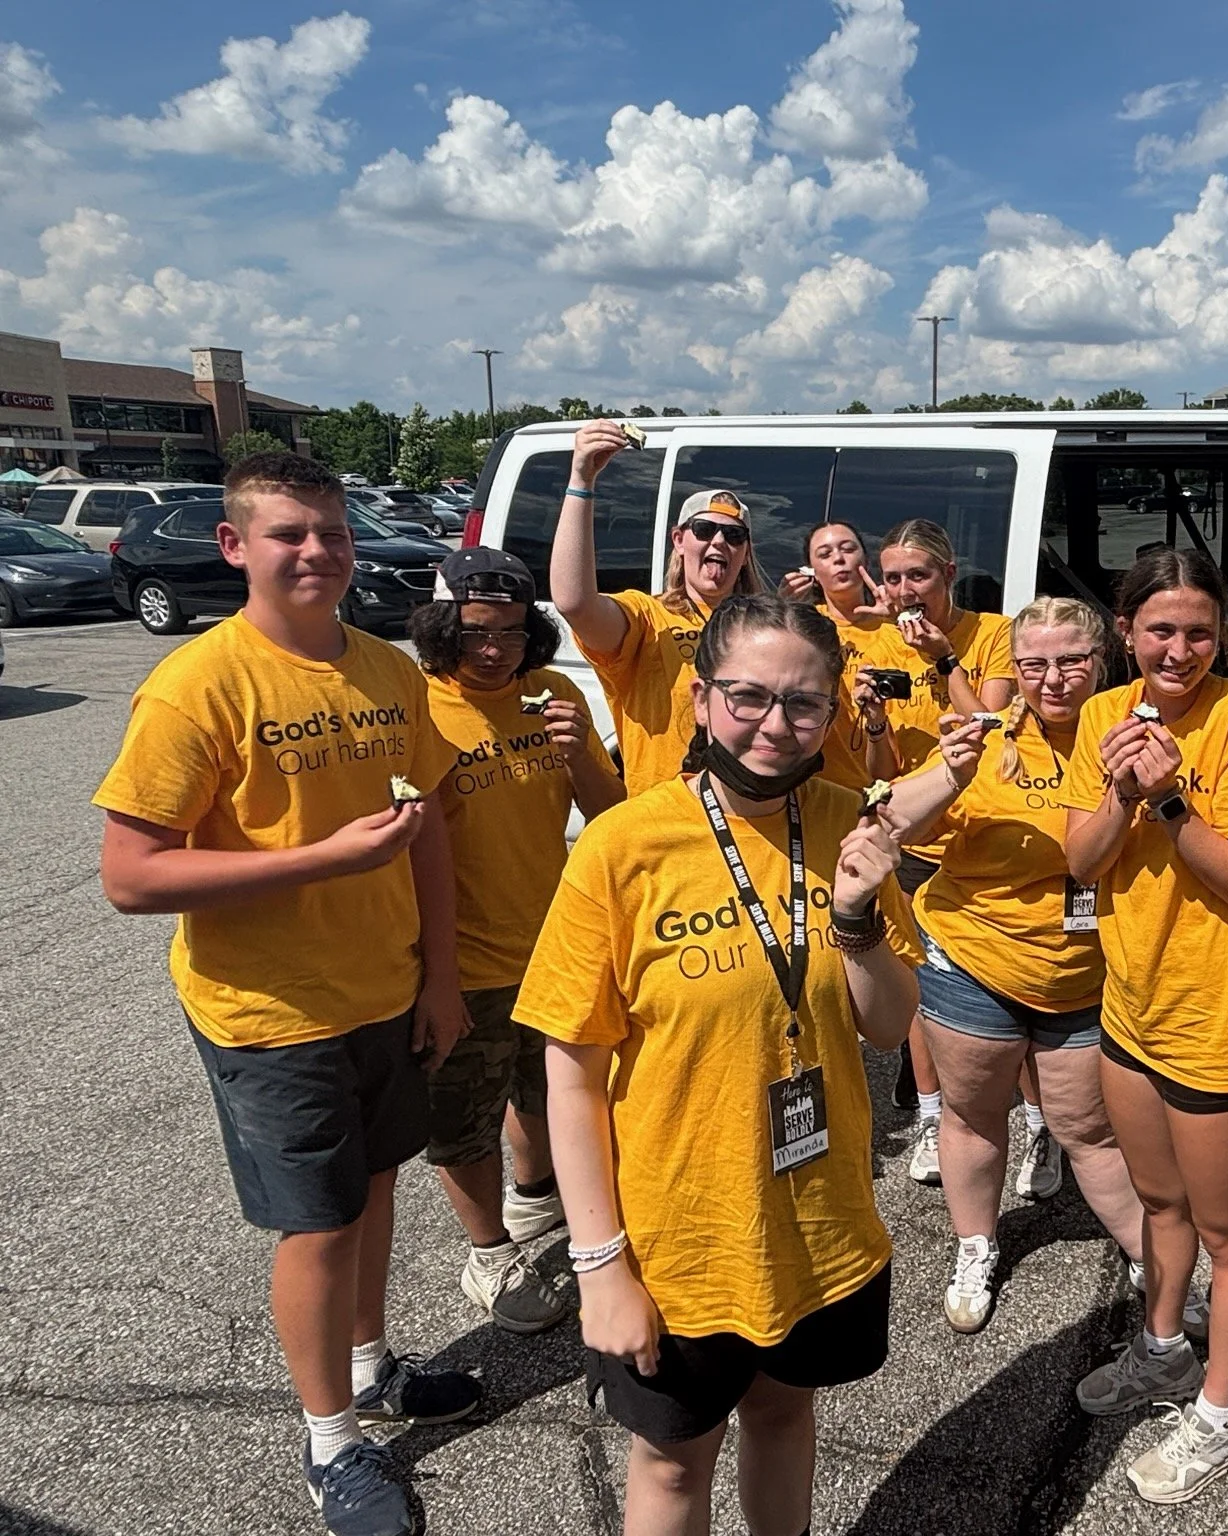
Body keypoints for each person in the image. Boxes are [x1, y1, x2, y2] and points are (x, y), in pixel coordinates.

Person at [94, 452, 480, 1536]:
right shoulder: (198, 685)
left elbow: (428, 834)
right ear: (235, 547)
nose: (316, 552)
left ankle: (367, 1367)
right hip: (267, 1013)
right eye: (288, 535)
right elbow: (131, 876)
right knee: (317, 1225)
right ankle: (331, 1446)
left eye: (333, 532)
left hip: (385, 989)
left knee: (375, 1187)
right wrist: (322, 861)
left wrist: (441, 976)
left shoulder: (386, 670)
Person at [516, 593, 922, 1536]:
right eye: (748, 697)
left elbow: (892, 1029)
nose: (775, 725)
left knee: (785, 1416)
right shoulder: (625, 844)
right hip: (678, 1237)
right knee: (670, 1463)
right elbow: (569, 1071)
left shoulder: (846, 827)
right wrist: (599, 1265)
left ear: (832, 711)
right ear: (700, 701)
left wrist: (857, 921)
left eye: (804, 704)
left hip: (817, 1217)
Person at [1058, 546, 1228, 1506]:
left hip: (1219, 1019)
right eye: (1161, 629)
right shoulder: (1103, 719)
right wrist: (1120, 792)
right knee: (1159, 1208)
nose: (1181, 649)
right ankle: (1162, 1350)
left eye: (1200, 631)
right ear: (1126, 631)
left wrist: (1165, 795)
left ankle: (1222, 1418)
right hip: (1133, 1007)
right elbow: (1081, 860)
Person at [886, 596, 1161, 1334]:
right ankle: (976, 1245)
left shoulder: (1136, 738)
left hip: (1083, 970)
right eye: (1033, 664)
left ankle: (1152, 1262)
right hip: (977, 958)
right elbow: (893, 825)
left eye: (1072, 660)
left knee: (1087, 1129)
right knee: (976, 1118)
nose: (1053, 679)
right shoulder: (986, 738)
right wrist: (948, 772)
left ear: (1104, 661)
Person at [408, 547, 626, 1335]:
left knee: (544, 1092)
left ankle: (534, 1204)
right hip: (460, 958)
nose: (493, 649)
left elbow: (609, 816)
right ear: (441, 630)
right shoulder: (420, 705)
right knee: (462, 1116)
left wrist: (578, 755)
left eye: (508, 631)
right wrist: (434, 979)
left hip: (554, 944)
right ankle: (488, 1253)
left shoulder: (554, 693)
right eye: (473, 633)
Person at [867, 519, 1019, 1183]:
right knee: (921, 985)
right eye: (894, 578)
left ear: (948, 575)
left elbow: (997, 731)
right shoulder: (879, 642)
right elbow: (883, 762)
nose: (905, 592)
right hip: (916, 837)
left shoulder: (994, 633)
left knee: (1012, 980)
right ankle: (931, 1116)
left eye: (918, 576)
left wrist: (941, 661)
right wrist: (873, 722)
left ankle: (1036, 1125)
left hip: (986, 836)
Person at [549, 419, 766, 797]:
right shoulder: (648, 617)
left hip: (750, 812)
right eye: (704, 530)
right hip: (665, 817)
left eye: (734, 536)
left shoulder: (764, 628)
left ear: (745, 553)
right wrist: (582, 481)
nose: (719, 541)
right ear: (679, 541)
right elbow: (575, 603)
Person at [780, 519, 898, 791]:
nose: (839, 559)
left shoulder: (894, 628)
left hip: (887, 782)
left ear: (865, 561)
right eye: (825, 554)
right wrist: (781, 610)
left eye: (847, 549)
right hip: (815, 786)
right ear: (813, 573)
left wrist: (897, 619)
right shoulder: (803, 628)